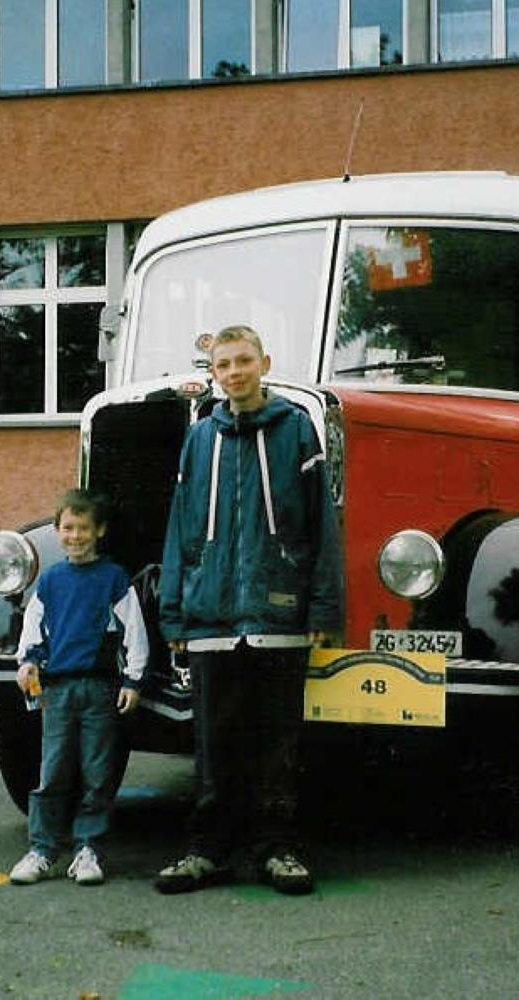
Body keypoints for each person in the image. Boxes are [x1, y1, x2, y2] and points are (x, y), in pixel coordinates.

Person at [154, 324, 342, 896]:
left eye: (242, 361)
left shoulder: (295, 432)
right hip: (212, 618)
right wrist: (175, 613)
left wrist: (320, 608)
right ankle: (206, 850)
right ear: (213, 373)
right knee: (214, 741)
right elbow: (182, 528)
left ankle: (278, 848)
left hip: (277, 615)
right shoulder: (199, 438)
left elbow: (321, 525)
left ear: (264, 362)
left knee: (277, 742)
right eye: (222, 365)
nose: (233, 373)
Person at [8, 489, 148, 887]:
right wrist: (28, 662)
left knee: (97, 772)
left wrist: (133, 680)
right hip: (58, 692)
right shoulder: (50, 581)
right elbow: (32, 631)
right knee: (52, 772)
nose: (75, 536)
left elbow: (134, 633)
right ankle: (42, 849)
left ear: (99, 531)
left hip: (101, 692)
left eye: (84, 528)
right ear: (56, 531)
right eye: (67, 528)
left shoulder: (114, 579)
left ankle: (88, 849)